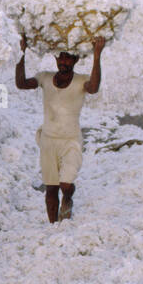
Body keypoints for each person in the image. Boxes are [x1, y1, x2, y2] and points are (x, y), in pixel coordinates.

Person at [15, 32, 105, 223]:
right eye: (60, 57)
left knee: (65, 184)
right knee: (50, 188)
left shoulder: (81, 81)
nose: (63, 62)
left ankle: (69, 196)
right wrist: (20, 53)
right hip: (48, 140)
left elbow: (94, 87)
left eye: (68, 58)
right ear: (55, 58)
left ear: (75, 59)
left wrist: (97, 56)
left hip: (71, 140)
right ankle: (53, 226)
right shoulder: (45, 77)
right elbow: (21, 84)